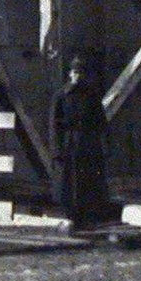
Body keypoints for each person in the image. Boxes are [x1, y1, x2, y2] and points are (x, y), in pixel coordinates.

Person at [51, 53, 112, 229]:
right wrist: (56, 150)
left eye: (81, 73)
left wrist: (105, 146)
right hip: (69, 145)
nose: (78, 76)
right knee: (69, 183)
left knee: (89, 181)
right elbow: (54, 126)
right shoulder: (61, 96)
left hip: (88, 143)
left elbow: (101, 123)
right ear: (70, 74)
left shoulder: (91, 96)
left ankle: (88, 218)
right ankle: (71, 216)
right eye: (75, 72)